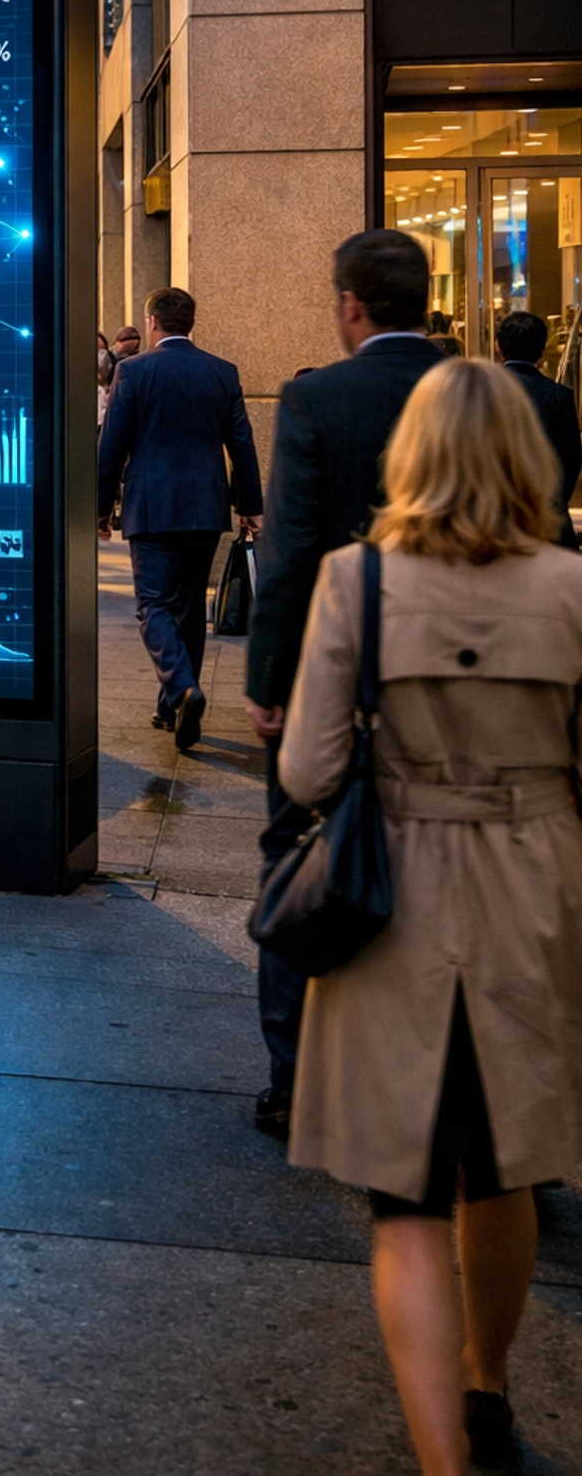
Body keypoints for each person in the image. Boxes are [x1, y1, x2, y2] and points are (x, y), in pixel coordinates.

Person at [279, 358, 582, 1476]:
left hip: (395, 890)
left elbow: (311, 771)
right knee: (500, 1168)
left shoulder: (357, 581)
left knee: (403, 1198)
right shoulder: (572, 585)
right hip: (535, 884)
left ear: (411, 454)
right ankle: (488, 1385)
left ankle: (442, 1460)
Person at [244, 228, 446, 1144]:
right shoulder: (478, 392)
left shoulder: (319, 397)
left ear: (350, 304)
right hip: (454, 680)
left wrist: (269, 682)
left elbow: (287, 554)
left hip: (344, 670)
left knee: (302, 862)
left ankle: (295, 1079)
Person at [97, 287, 262, 753]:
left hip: (151, 508)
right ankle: (171, 707)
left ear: (152, 322)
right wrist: (250, 504)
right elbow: (242, 444)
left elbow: (112, 446)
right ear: (191, 322)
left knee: (154, 605)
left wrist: (101, 508)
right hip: (206, 507)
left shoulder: (132, 371)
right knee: (189, 606)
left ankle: (183, 690)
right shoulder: (221, 372)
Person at [495, 308, 580, 549]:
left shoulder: (482, 392)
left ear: (498, 345)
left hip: (495, 522)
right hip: (549, 522)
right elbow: (571, 459)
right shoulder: (559, 396)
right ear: (542, 349)